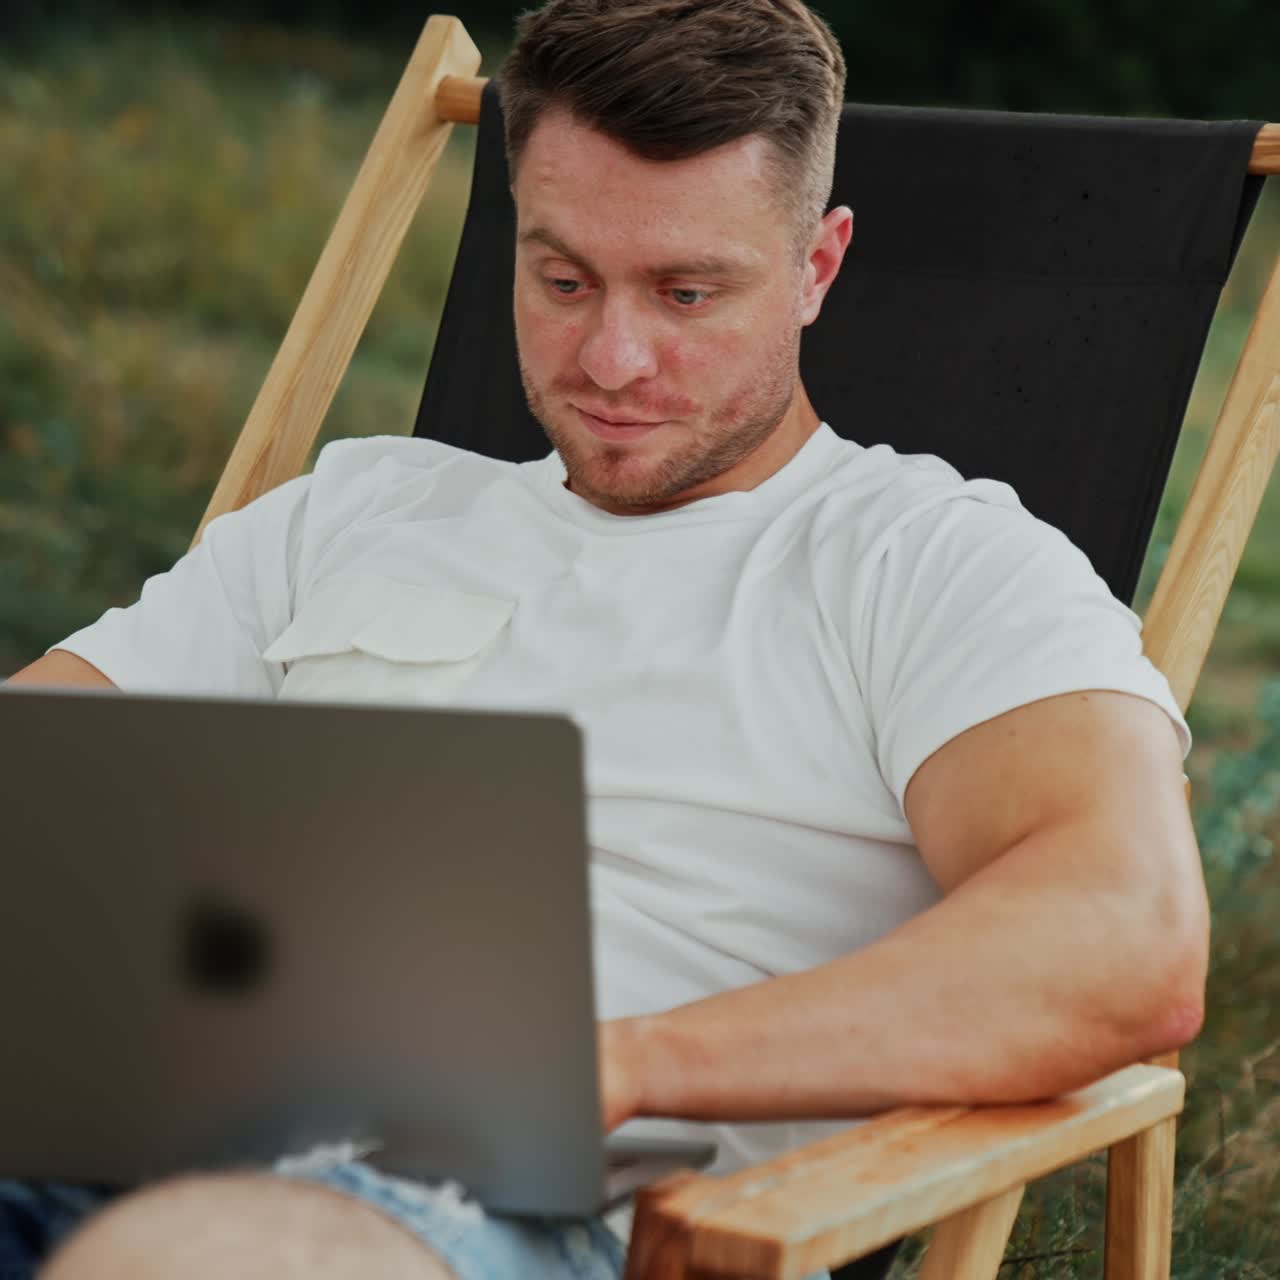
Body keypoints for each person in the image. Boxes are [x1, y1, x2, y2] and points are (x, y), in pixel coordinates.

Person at [3, 0, 1209, 1276]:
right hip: (143, 1101)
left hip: (530, 1218)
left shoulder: (929, 563)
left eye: (686, 292)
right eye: (562, 280)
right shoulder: (355, 510)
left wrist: (622, 1062)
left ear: (816, 265)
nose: (613, 358)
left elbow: (1125, 938)